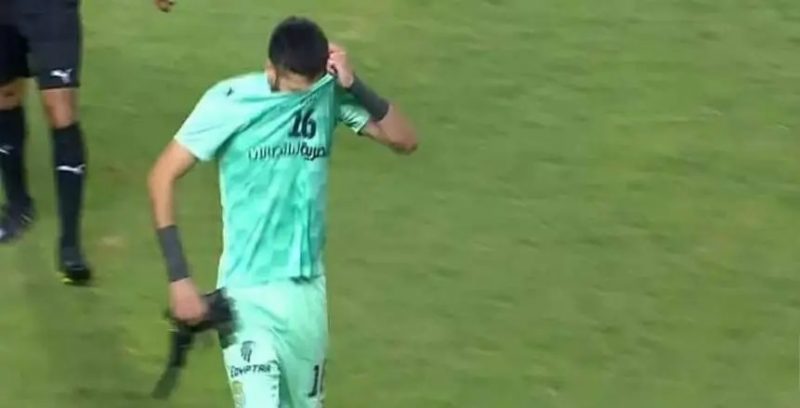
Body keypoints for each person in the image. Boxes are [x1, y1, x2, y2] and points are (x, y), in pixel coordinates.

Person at [148, 16, 418, 408]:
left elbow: (405, 140)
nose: (298, 102)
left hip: (306, 296)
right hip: (245, 296)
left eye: (306, 91)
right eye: (291, 90)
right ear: (270, 70)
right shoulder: (229, 102)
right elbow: (161, 176)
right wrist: (178, 277)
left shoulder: (328, 93)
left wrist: (354, 85)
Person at [0, 0, 92, 283]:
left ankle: (70, 244)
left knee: (60, 111)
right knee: (5, 96)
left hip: (51, 10)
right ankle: (18, 207)